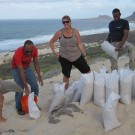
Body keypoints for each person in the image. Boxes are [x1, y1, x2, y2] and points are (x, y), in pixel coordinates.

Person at [49, 15, 90, 90]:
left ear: (70, 22)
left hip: (76, 55)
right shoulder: (59, 32)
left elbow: (79, 44)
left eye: (67, 21)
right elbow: (51, 42)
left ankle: (90, 87)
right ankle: (65, 93)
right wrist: (55, 53)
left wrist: (85, 55)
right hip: (64, 57)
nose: (65, 23)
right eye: (63, 22)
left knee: (87, 71)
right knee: (66, 75)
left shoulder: (75, 32)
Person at [11, 40, 43, 115]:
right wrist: (26, 87)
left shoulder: (34, 50)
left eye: (30, 51)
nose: (29, 53)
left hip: (27, 68)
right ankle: (18, 107)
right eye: (27, 51)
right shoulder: (18, 53)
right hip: (16, 69)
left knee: (35, 85)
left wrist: (39, 77)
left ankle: (33, 103)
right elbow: (21, 71)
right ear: (24, 47)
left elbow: (36, 63)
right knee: (20, 87)